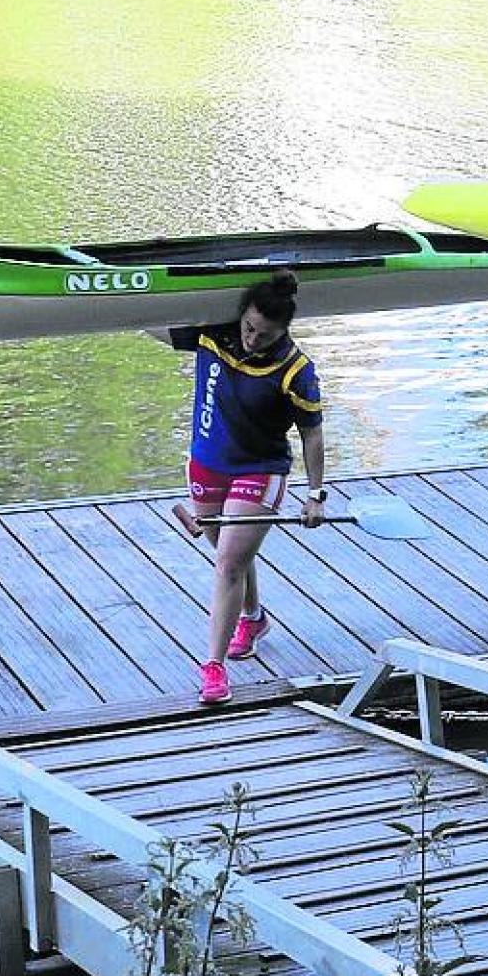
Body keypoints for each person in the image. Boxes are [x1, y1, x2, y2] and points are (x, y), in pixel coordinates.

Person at [165, 269, 327, 705]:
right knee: (231, 554)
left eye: (265, 335)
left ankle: (213, 670)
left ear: (284, 330)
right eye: (249, 328)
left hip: (261, 469)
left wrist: (315, 494)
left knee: (229, 565)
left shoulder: (297, 371)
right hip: (207, 464)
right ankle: (253, 617)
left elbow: (312, 434)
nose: (253, 339)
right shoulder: (213, 336)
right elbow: (153, 324)